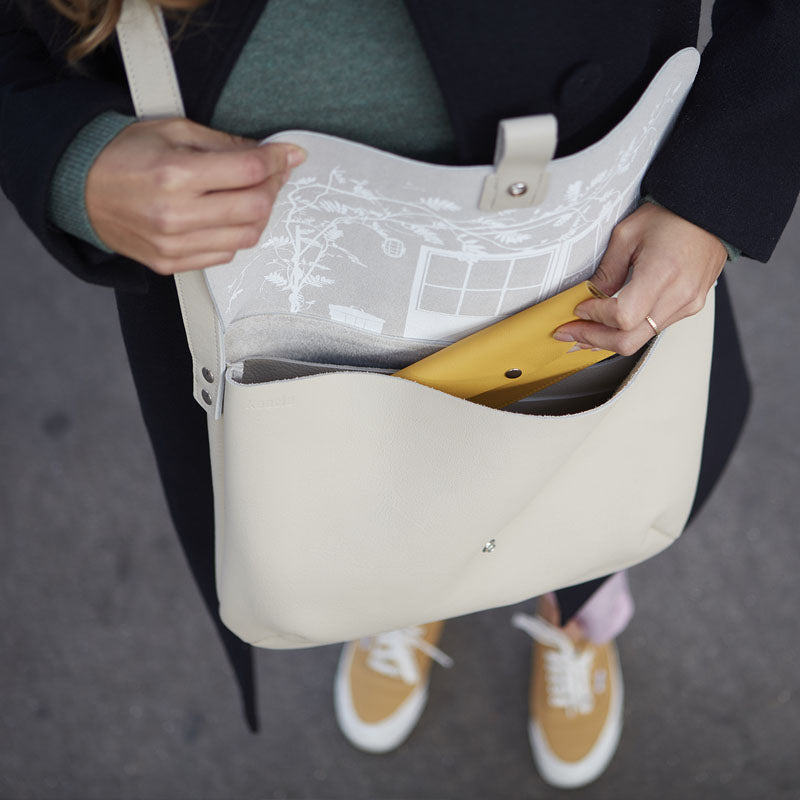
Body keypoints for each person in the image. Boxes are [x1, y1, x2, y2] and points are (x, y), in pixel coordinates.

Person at [2, 0, 797, 789]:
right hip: (258, 284)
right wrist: (74, 161)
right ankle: (400, 594)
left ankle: (579, 610)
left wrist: (715, 189)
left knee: (578, 466)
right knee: (370, 495)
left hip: (584, 224)